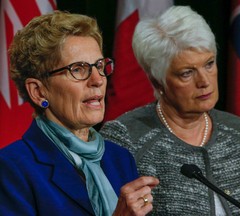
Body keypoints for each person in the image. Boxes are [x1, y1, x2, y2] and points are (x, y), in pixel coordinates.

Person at [100, 6, 240, 215]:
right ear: (158, 82)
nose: (204, 81)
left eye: (209, 64)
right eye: (186, 73)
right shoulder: (126, 137)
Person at [0, 11, 159, 216]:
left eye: (99, 66)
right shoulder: (12, 169)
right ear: (38, 92)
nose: (98, 80)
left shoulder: (119, 159)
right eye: (78, 69)